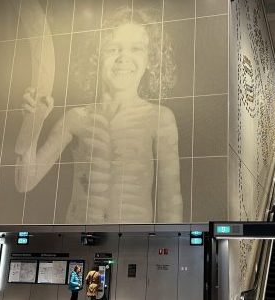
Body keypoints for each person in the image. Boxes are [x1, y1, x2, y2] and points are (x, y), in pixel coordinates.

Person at [14, 7, 183, 224]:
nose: (124, 58)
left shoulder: (160, 119)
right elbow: (25, 181)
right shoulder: (76, 118)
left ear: (151, 59)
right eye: (113, 49)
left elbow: (170, 203)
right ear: (97, 56)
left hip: (132, 245)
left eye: (136, 49)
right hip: (78, 243)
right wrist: (33, 121)